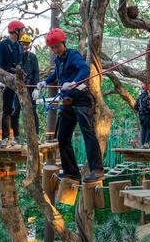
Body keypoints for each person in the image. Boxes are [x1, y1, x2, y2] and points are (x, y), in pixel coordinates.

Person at [36, 28, 104, 183]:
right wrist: (44, 82)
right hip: (68, 102)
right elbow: (56, 75)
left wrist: (74, 82)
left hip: (82, 99)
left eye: (57, 46)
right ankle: (71, 172)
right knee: (62, 136)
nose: (55, 50)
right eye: (52, 48)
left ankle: (97, 170)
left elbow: (84, 69)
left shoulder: (73, 55)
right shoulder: (59, 60)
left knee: (87, 132)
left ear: (63, 43)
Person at [0, 20, 24, 142]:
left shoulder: (19, 46)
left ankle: (17, 136)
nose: (23, 33)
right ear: (16, 31)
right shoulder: (3, 45)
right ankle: (6, 138)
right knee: (7, 109)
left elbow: (19, 63)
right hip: (6, 79)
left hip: (17, 80)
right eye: (21, 30)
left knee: (17, 109)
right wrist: (3, 78)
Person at [11, 34, 40, 135]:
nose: (25, 47)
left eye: (27, 45)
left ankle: (35, 135)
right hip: (17, 87)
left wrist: (37, 88)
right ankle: (15, 136)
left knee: (32, 109)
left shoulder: (32, 57)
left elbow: (36, 72)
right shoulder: (14, 57)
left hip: (30, 86)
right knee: (15, 110)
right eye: (23, 44)